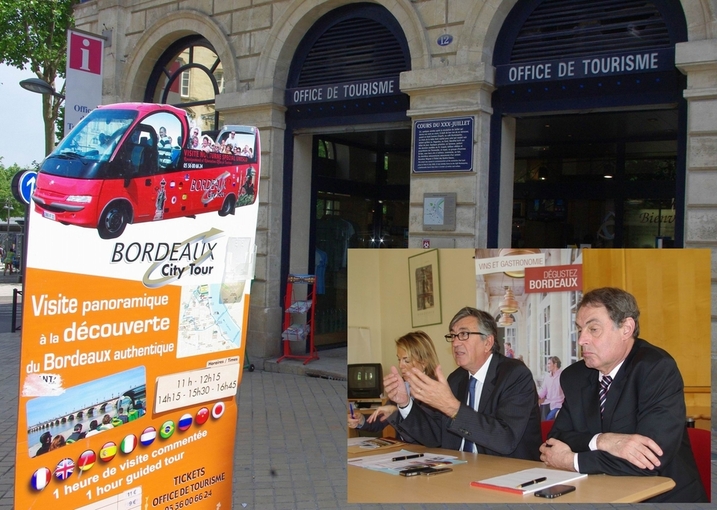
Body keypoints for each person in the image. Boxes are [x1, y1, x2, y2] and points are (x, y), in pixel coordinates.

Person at [540, 287, 707, 503]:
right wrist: (603, 441)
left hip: (663, 496)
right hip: (598, 492)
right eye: (580, 329)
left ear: (626, 328)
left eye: (594, 329)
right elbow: (556, 440)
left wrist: (573, 460)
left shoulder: (655, 368)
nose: (581, 340)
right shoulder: (575, 376)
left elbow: (648, 461)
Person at [386, 307, 542, 460]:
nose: (455, 343)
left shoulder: (515, 375)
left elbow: (506, 439)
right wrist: (405, 403)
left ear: (487, 342)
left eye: (463, 334)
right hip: (459, 469)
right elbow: (435, 437)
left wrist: (453, 408)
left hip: (507, 472)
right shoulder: (456, 379)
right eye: (453, 336)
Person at [347, 331, 439, 439]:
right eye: (399, 359)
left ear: (424, 362)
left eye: (406, 360)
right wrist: (361, 420)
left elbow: (427, 432)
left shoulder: (434, 389)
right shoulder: (403, 386)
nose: (400, 365)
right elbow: (381, 419)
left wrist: (397, 412)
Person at [538, 356, 564, 420]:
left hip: (558, 405)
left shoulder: (562, 376)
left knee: (548, 419)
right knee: (539, 417)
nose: (547, 365)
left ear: (555, 364)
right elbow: (543, 391)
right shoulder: (547, 376)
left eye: (549, 363)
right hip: (548, 403)